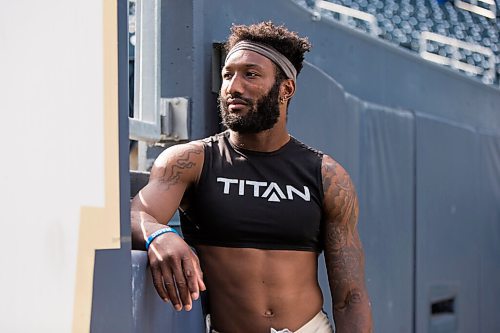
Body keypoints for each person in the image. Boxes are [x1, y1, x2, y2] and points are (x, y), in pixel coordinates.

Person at [131, 21, 373, 333]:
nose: (233, 86)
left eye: (251, 74)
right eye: (227, 74)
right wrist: (158, 234)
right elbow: (137, 212)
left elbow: (350, 297)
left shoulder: (326, 175)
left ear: (285, 89)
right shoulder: (192, 161)